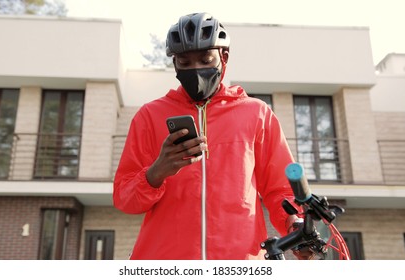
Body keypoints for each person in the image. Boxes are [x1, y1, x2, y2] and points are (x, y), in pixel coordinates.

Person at [113, 12, 307, 260]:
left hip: (239, 261)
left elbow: (280, 189)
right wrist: (156, 173)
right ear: (174, 64)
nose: (195, 69)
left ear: (223, 58)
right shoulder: (149, 115)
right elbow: (124, 198)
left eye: (205, 59)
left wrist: (294, 222)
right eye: (184, 63)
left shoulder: (257, 113)